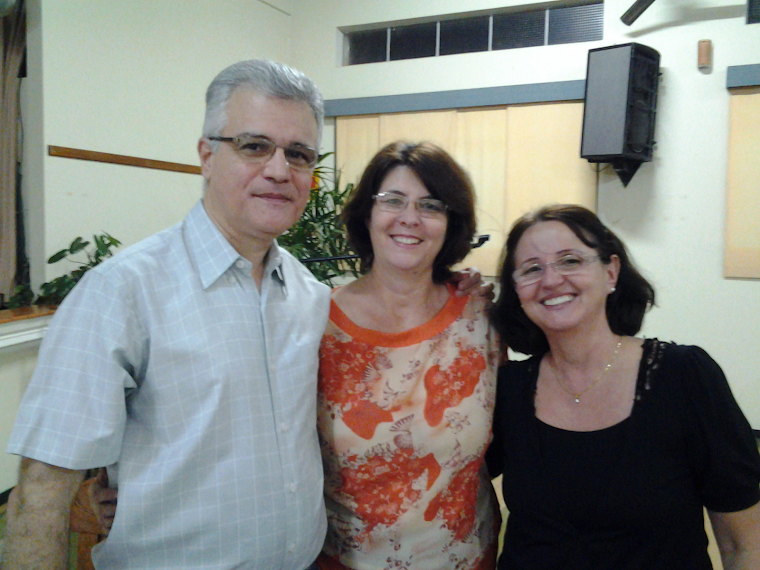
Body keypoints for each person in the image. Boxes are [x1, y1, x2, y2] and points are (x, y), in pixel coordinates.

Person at [6, 59, 332, 570]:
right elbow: (43, 488)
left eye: (298, 154)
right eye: (254, 146)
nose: (278, 169)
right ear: (206, 155)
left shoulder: (311, 295)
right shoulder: (122, 292)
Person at [486, 204, 760, 570]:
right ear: (517, 290)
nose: (550, 280)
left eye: (570, 261)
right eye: (532, 269)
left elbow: (744, 544)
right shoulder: (509, 391)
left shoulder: (683, 377)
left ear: (611, 271)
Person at [316, 141, 502, 570]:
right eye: (392, 200)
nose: (410, 218)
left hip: (466, 557)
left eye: (431, 205)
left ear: (451, 222)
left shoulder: (480, 317)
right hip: (346, 562)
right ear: (367, 213)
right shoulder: (315, 322)